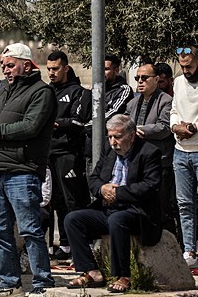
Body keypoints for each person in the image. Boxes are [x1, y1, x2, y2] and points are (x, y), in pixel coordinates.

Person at [0, 43, 56, 296]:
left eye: (10, 65)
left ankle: (42, 283)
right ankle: (8, 282)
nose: (6, 70)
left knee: (30, 229)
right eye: (3, 66)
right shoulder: (2, 91)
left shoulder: (41, 91)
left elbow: (31, 126)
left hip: (22, 170)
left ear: (27, 64)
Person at [64, 114, 162, 293]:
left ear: (131, 136)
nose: (112, 141)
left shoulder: (149, 152)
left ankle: (123, 276)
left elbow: (150, 186)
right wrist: (102, 190)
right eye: (109, 136)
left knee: (118, 220)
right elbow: (94, 179)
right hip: (108, 208)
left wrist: (117, 193)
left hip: (136, 211)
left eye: (117, 136)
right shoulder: (109, 151)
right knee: (73, 219)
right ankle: (92, 272)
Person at [46, 51, 91, 261]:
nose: (52, 73)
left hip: (69, 154)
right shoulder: (47, 92)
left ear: (65, 68)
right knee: (55, 202)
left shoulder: (79, 92)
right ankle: (64, 244)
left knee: (73, 200)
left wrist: (57, 123)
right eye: (49, 69)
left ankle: (80, 245)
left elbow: (78, 121)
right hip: (49, 154)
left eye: (55, 69)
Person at [126, 60, 176, 236]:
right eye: (137, 77)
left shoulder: (166, 100)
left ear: (156, 79)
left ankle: (170, 244)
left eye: (144, 78)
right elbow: (125, 124)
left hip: (159, 162)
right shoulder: (133, 102)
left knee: (162, 206)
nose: (140, 81)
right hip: (136, 162)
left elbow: (164, 127)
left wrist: (138, 131)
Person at [170, 45, 198, 267]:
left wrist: (193, 127)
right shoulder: (178, 82)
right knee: (184, 203)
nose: (185, 70)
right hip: (181, 151)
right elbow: (174, 109)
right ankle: (189, 250)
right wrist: (175, 126)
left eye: (189, 65)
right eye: (182, 65)